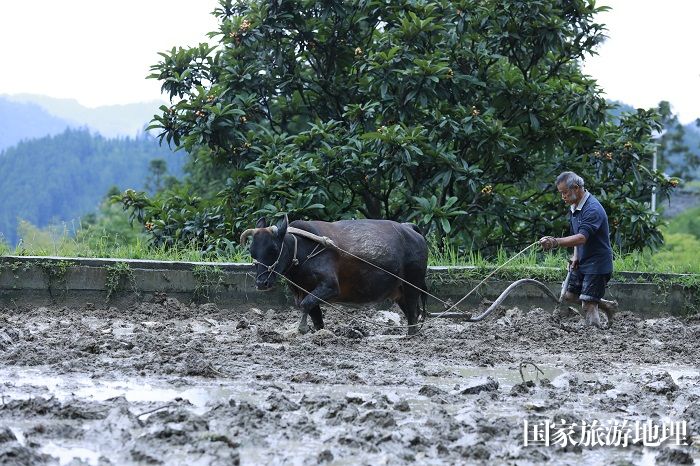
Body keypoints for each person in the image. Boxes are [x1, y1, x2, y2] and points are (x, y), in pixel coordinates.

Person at [539, 171, 618, 328]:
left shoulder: (592, 209)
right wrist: (575, 255)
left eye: (565, 193)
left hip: (597, 263)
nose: (563, 197)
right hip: (582, 259)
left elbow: (582, 237)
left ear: (576, 188)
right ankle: (608, 306)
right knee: (569, 295)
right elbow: (577, 234)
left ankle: (595, 335)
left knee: (588, 304)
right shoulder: (575, 206)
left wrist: (555, 242)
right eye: (561, 193)